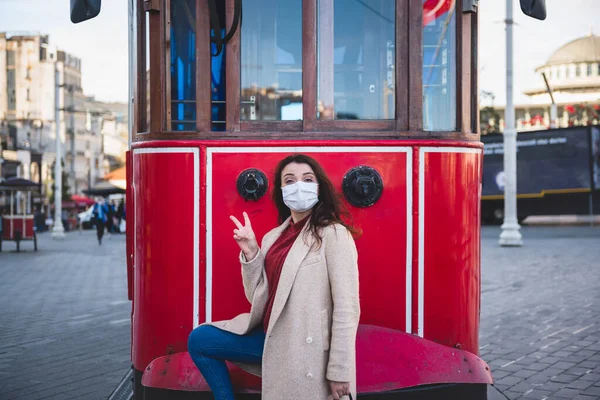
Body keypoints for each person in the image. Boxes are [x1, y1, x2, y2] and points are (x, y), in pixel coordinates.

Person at [188, 154, 361, 400]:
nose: (298, 186)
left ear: (318, 187)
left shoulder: (333, 234)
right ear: (281, 191)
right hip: (272, 336)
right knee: (200, 340)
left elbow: (347, 307)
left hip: (305, 348)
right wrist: (251, 253)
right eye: (289, 181)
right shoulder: (273, 237)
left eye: (307, 179)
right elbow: (257, 297)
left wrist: (340, 370)